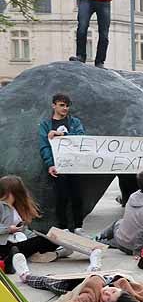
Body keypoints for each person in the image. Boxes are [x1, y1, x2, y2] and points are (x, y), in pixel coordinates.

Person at [0, 175, 83, 272]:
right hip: (5, 244)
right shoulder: (1, 206)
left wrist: (37, 236)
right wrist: (9, 229)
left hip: (18, 241)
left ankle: (32, 254)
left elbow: (24, 230)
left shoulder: (15, 207)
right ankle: (57, 253)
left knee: (53, 237)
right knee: (48, 240)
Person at [39, 93, 86, 232]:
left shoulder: (75, 122)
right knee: (61, 198)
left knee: (77, 197)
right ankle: (63, 227)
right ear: (54, 105)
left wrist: (62, 135)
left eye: (67, 106)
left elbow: (81, 138)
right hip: (58, 166)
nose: (65, 108)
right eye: (61, 105)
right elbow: (44, 146)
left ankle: (79, 227)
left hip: (75, 164)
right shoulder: (46, 125)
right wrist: (50, 164)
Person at [96, 169, 143, 254]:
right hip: (132, 247)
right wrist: (138, 252)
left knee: (118, 223)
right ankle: (101, 241)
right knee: (119, 224)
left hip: (122, 240)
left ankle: (98, 237)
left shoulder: (133, 196)